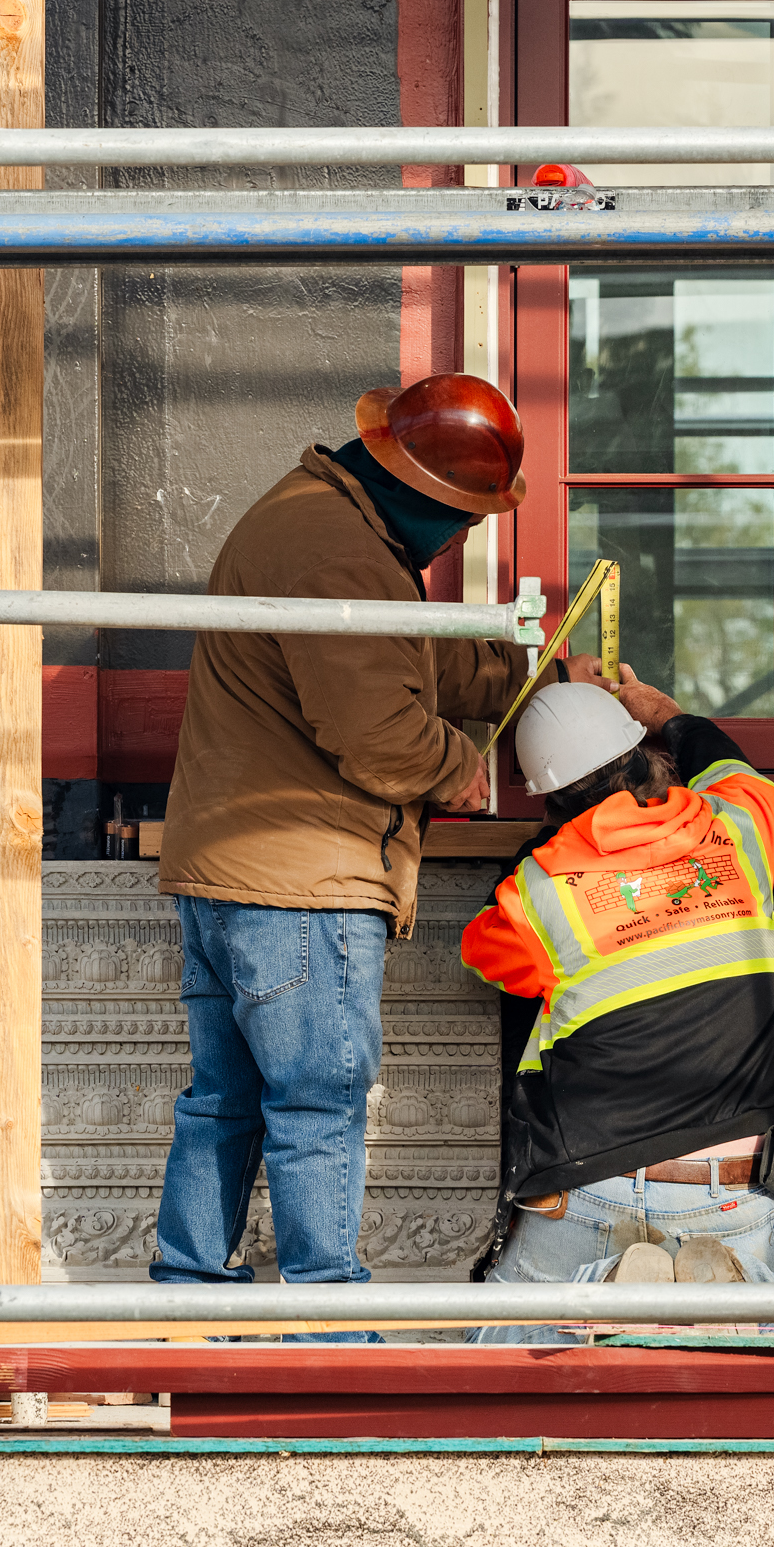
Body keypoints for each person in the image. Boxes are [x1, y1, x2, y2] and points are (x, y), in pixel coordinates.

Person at [151, 373, 575, 1289]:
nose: (463, 538)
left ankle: (187, 1297)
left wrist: (536, 678)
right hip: (302, 884)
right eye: (464, 519)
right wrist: (459, 766)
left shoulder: (319, 519)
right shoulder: (341, 554)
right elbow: (378, 734)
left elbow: (407, 657)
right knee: (318, 1103)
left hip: (230, 871)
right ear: (422, 494)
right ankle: (326, 1315)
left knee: (225, 1102)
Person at [455, 666, 774, 1317]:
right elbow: (734, 769)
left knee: (502, 1352)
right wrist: (666, 715)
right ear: (647, 759)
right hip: (735, 1194)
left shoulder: (536, 893)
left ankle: (615, 1282)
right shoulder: (739, 828)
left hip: (590, 1187)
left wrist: (556, 852)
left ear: (547, 801)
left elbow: (483, 952)